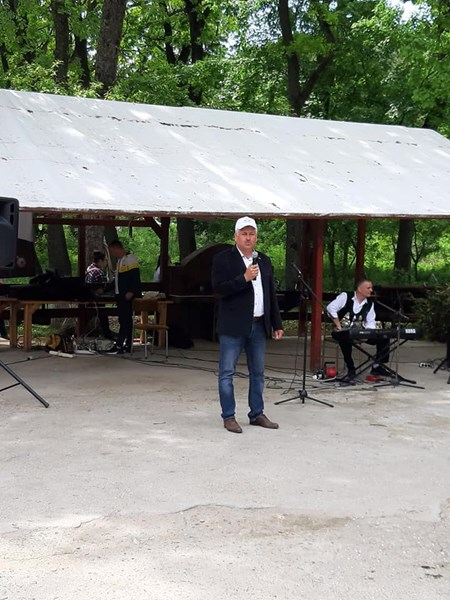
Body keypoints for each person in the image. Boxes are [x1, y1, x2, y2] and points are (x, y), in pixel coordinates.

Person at [211, 216, 284, 434]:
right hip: (233, 326)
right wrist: (243, 278)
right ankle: (229, 416)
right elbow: (218, 289)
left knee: (258, 372)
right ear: (235, 236)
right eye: (244, 234)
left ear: (256, 237)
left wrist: (277, 323)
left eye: (251, 234)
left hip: (259, 325)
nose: (248, 238)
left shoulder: (264, 260)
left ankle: (257, 413)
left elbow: (270, 294)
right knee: (227, 372)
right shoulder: (223, 259)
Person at [327, 277, 390, 382]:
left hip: (359, 332)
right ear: (359, 289)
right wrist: (338, 325)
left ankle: (377, 366)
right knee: (345, 337)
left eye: (371, 288)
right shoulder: (346, 296)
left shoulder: (370, 303)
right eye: (368, 288)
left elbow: (371, 322)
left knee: (384, 336)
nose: (371, 290)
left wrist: (367, 333)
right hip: (341, 331)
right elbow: (330, 308)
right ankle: (350, 368)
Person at [107, 241, 141, 354]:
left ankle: (121, 344)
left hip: (127, 295)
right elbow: (117, 280)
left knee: (125, 319)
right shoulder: (119, 262)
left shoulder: (130, 259)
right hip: (120, 294)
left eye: (112, 251)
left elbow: (135, 276)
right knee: (124, 319)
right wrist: (105, 289)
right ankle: (125, 344)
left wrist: (131, 291)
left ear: (117, 248)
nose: (112, 254)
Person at [85, 251, 115, 340]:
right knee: (103, 315)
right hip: (97, 299)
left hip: (88, 298)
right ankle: (107, 335)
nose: (106, 262)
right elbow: (103, 288)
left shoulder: (89, 269)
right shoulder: (99, 272)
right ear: (100, 260)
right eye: (105, 260)